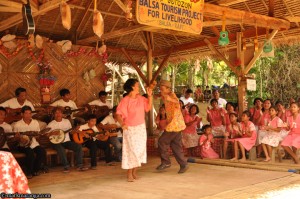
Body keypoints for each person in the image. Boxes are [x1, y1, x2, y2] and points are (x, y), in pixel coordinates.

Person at [116, 78, 152, 182]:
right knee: (131, 151)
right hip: (130, 128)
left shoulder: (140, 98)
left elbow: (148, 108)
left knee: (139, 150)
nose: (138, 86)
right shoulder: (125, 100)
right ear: (132, 87)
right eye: (137, 85)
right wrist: (122, 123)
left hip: (140, 127)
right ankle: (129, 173)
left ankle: (134, 171)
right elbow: (118, 114)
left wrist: (149, 95)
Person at [156, 80, 188, 174]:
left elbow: (176, 101)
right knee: (175, 145)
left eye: (162, 89)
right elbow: (157, 95)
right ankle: (184, 164)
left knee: (161, 141)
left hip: (174, 124)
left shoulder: (171, 95)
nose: (161, 91)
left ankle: (166, 162)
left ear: (168, 89)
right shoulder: (164, 94)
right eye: (160, 89)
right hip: (176, 124)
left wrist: (168, 97)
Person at [47, 107, 88, 172]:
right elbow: (47, 135)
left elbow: (71, 132)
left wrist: (75, 130)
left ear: (62, 114)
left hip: (66, 141)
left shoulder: (66, 121)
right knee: (61, 149)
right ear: (53, 114)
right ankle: (66, 166)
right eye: (56, 113)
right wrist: (52, 133)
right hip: (56, 142)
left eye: (60, 112)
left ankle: (79, 165)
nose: (58, 114)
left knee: (78, 147)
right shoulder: (51, 124)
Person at [13, 106, 47, 179]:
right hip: (22, 145)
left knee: (42, 151)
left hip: (34, 143)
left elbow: (38, 136)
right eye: (26, 113)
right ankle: (29, 172)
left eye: (30, 113)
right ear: (22, 114)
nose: (28, 115)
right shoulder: (17, 124)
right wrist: (19, 138)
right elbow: (15, 139)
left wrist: (38, 135)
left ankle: (36, 170)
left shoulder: (35, 122)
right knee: (30, 153)